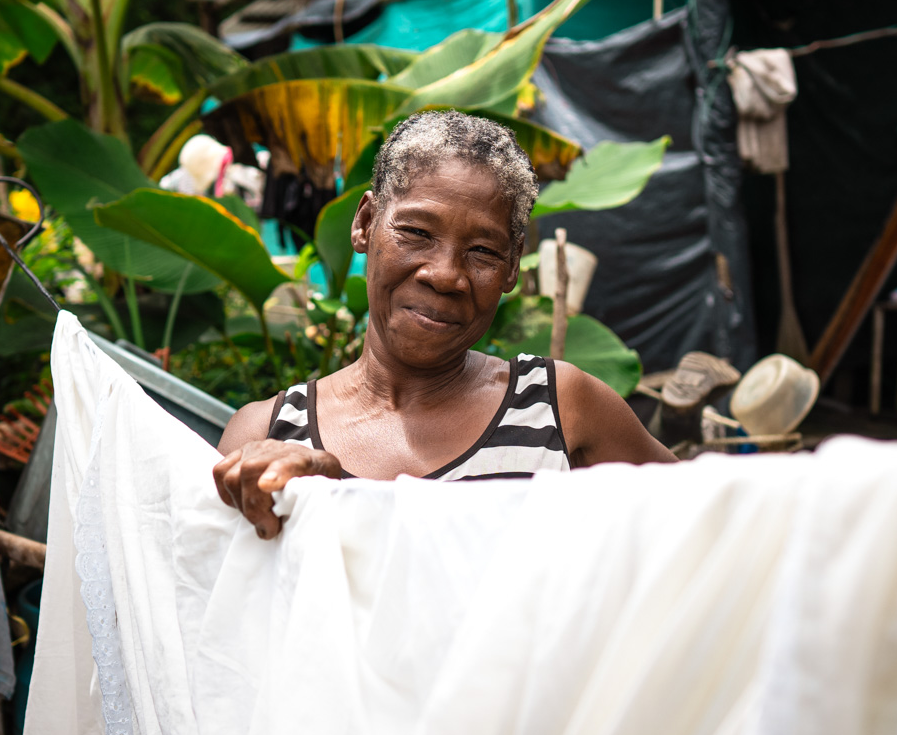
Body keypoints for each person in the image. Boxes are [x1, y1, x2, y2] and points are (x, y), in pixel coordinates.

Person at [213, 110, 674, 538]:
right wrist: (315, 499)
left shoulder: (560, 410)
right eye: (415, 232)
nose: (446, 274)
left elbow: (704, 531)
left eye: (483, 252)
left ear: (512, 267)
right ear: (366, 222)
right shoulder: (265, 435)